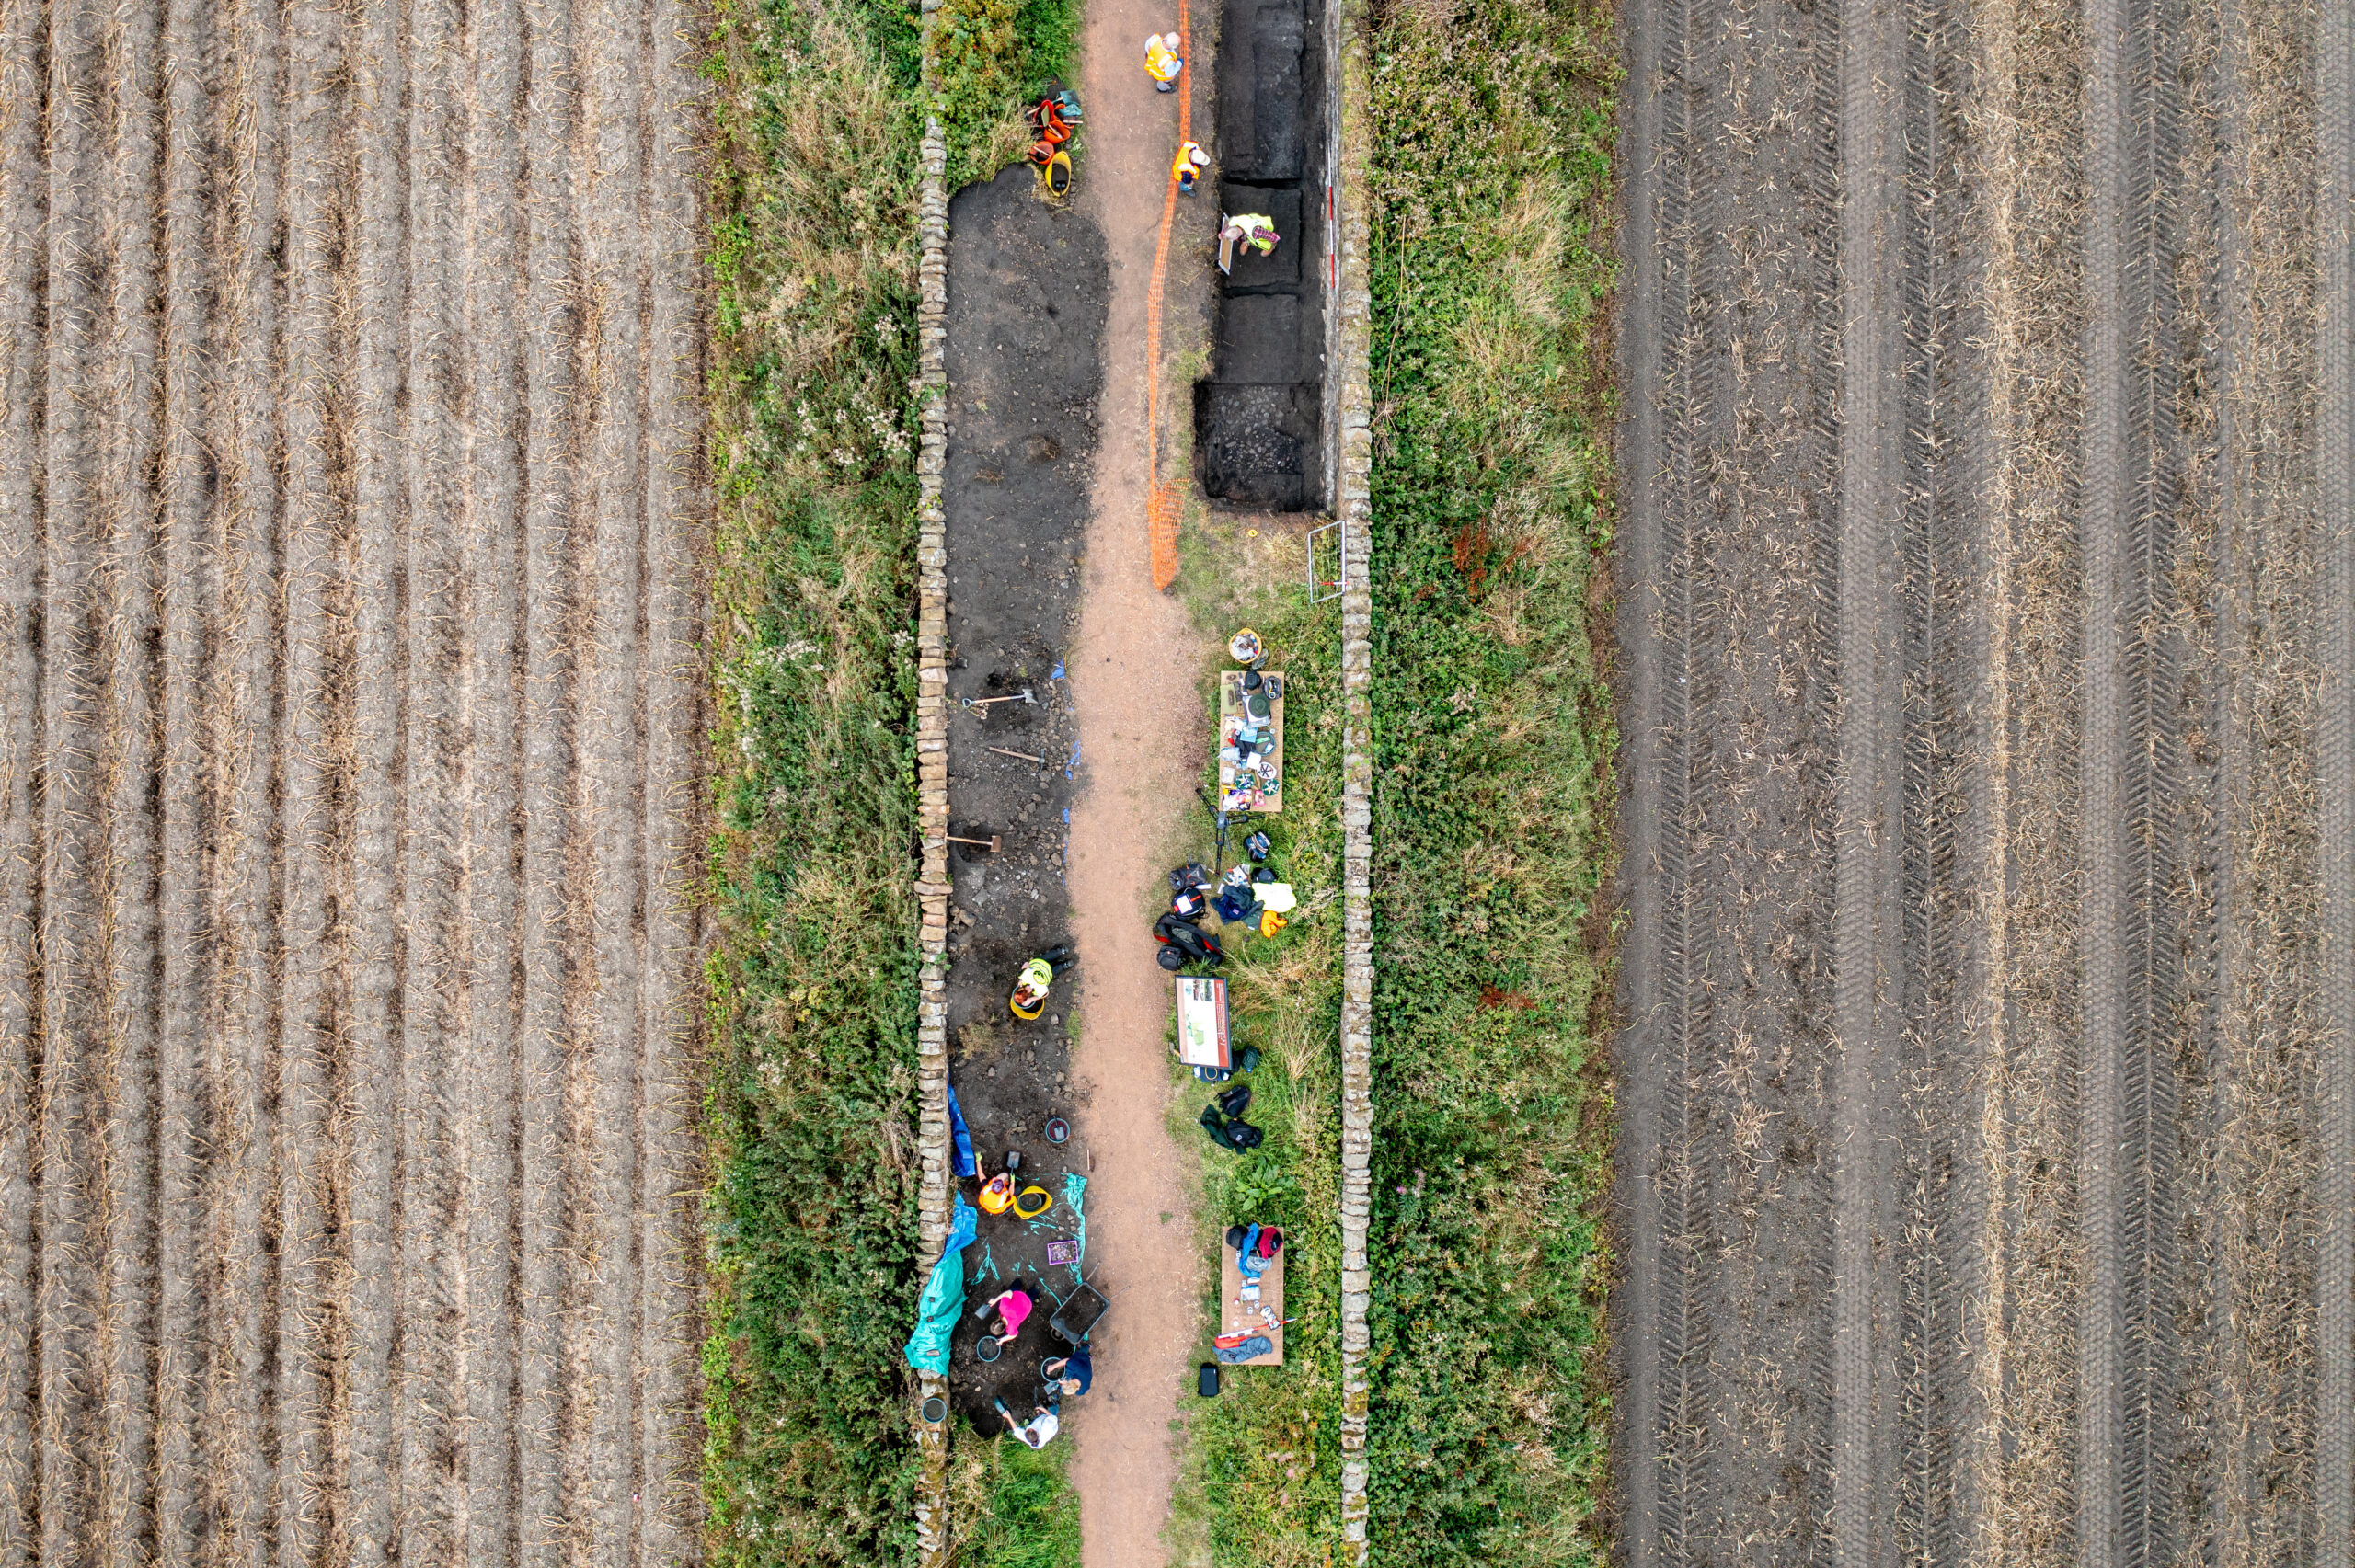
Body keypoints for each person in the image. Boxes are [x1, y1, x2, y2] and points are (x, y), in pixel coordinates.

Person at [996, 1399, 1062, 1448]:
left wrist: (1009, 1417)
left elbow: (1016, 1431)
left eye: (1028, 1428)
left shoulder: (1030, 1439)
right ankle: (1055, 1403)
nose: (1028, 1428)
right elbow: (1052, 1417)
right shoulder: (1047, 1427)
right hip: (1052, 1423)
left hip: (1044, 1421)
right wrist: (1042, 1409)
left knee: (1048, 1412)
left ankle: (1044, 1411)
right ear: (1037, 1433)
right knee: (1053, 1409)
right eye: (1030, 1428)